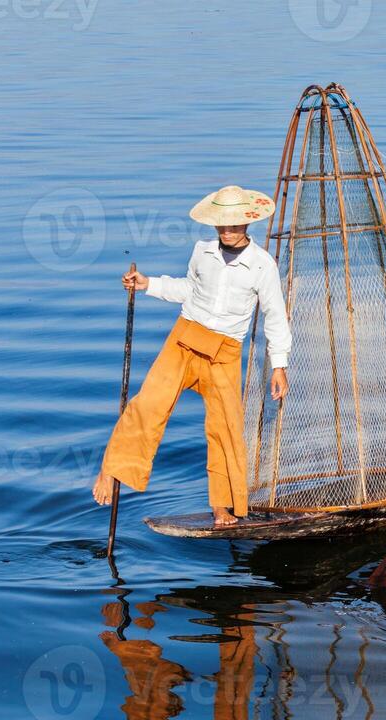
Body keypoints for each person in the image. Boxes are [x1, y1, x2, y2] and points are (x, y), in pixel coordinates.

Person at [91, 185, 291, 526]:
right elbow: (189, 288)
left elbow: (274, 314)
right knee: (149, 404)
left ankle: (222, 506)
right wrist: (148, 284)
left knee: (225, 429)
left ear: (247, 222)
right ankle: (112, 470)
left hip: (224, 351)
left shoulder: (262, 265)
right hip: (184, 338)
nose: (227, 230)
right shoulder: (202, 251)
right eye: (221, 224)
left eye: (234, 223)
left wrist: (279, 365)